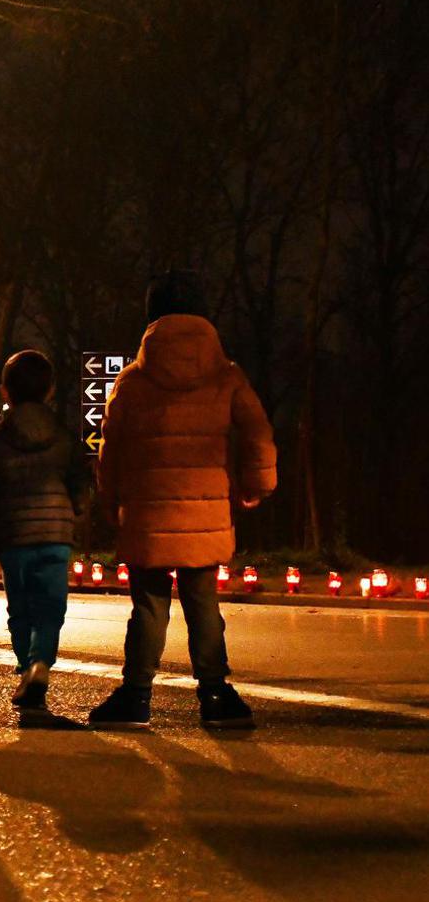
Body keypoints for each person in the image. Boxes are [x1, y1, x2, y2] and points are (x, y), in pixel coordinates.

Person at [91, 271, 277, 730]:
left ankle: (136, 696)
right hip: (205, 508)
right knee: (202, 603)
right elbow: (257, 430)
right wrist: (258, 483)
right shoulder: (227, 375)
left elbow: (111, 445)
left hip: (147, 510)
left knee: (149, 606)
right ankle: (216, 694)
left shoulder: (132, 382)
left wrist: (110, 499)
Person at [0, 349, 89, 718]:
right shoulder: (65, 437)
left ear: (5, 391)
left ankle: (26, 669)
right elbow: (81, 481)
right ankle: (41, 663)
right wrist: (74, 511)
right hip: (55, 533)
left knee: (20, 610)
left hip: (15, 537)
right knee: (50, 608)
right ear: (50, 390)